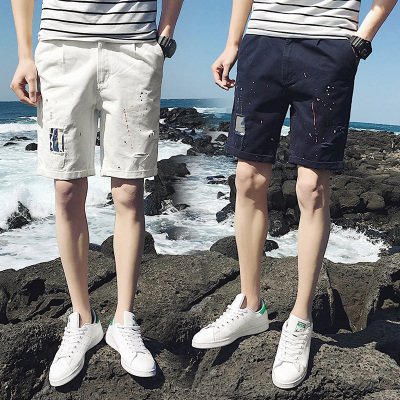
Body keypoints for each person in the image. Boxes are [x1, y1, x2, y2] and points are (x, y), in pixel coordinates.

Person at [192, 0, 397, 390]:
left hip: (329, 47)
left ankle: (300, 318)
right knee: (247, 179)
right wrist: (233, 43)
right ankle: (250, 304)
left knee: (312, 189)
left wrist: (362, 38)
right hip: (262, 45)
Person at [11, 0, 183, 387]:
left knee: (129, 192)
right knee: (66, 190)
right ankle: (83, 319)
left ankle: (124, 320)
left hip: (133, 50)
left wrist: (166, 32)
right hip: (61, 51)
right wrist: (24, 54)